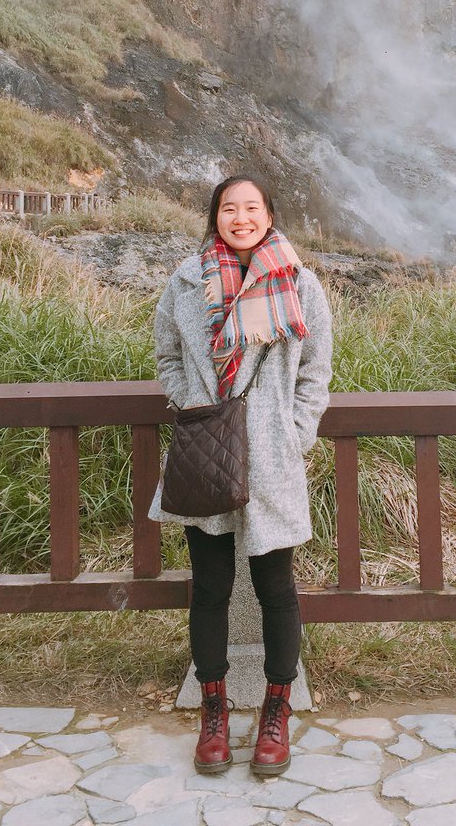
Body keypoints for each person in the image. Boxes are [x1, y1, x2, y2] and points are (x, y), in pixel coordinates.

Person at [148, 175, 333, 777]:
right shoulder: (185, 280)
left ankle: (276, 714)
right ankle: (215, 713)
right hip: (206, 447)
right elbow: (167, 354)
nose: (241, 217)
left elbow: (315, 371)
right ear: (215, 217)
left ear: (270, 215)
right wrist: (191, 403)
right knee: (210, 587)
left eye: (252, 207)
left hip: (272, 456)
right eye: (230, 208)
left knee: (277, 588)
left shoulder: (300, 283)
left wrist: (295, 430)